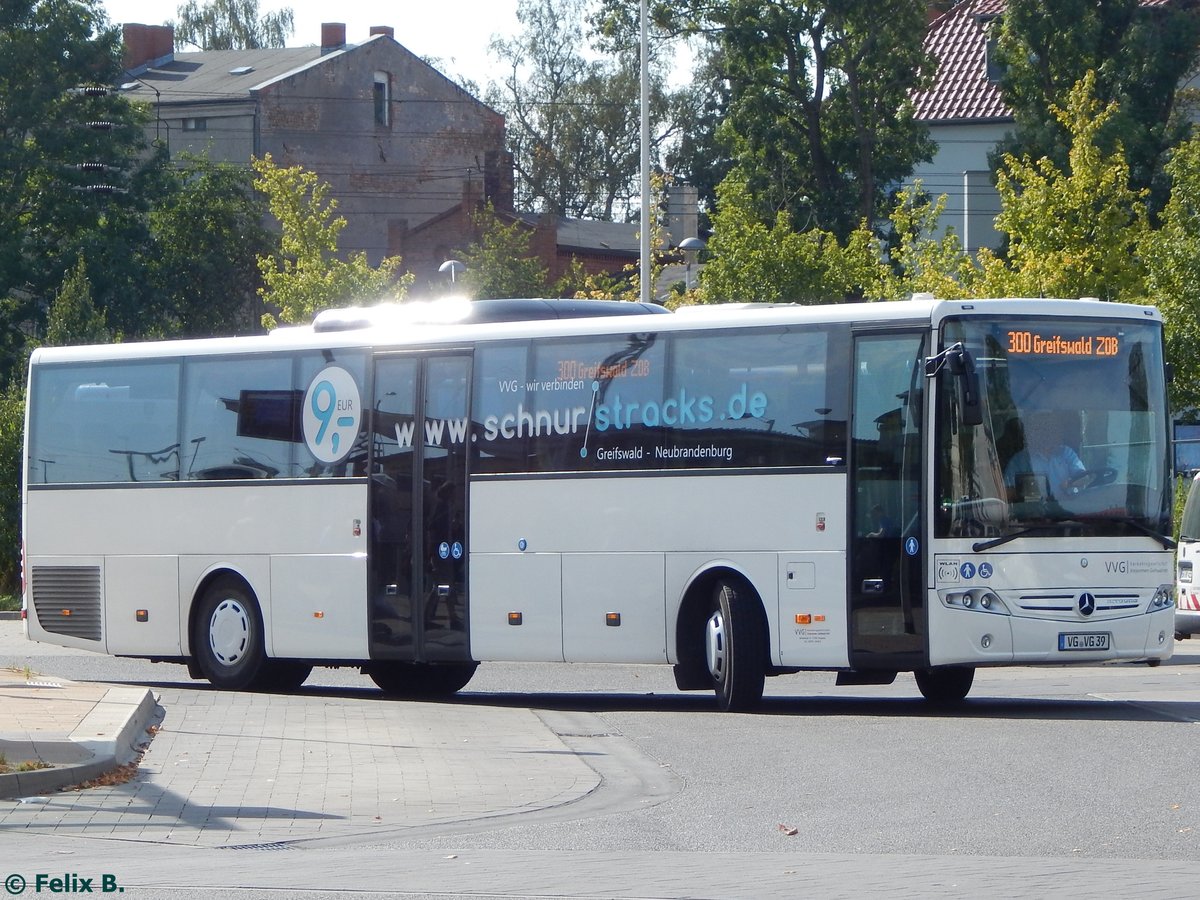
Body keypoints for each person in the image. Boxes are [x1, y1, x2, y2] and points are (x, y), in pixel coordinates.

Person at [1004, 410, 1087, 500]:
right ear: (1036, 432)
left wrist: (1070, 483)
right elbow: (1007, 492)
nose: (1058, 434)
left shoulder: (1066, 453)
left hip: (1068, 507)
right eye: (1049, 429)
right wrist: (1026, 491)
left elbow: (1084, 477)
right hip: (1035, 511)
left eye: (1056, 430)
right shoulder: (1020, 461)